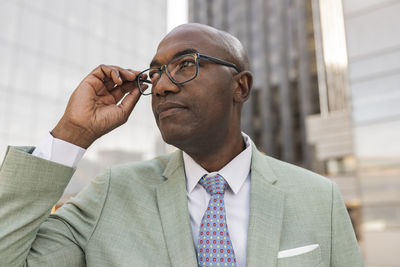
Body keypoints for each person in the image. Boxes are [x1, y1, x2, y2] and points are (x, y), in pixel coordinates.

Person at [0, 23, 364, 267]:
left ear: (240, 86)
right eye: (155, 73)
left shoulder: (320, 199)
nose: (162, 86)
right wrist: (73, 133)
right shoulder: (111, 194)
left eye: (186, 64)